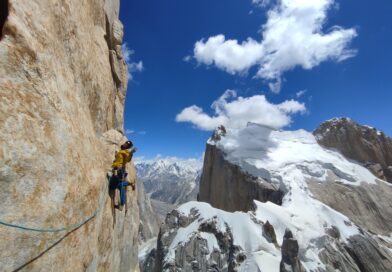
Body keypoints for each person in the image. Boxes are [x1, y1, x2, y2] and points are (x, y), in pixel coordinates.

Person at [110, 140, 137, 211]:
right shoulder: (122, 151)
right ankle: (130, 183)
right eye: (125, 143)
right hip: (118, 169)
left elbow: (127, 159)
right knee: (119, 185)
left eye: (127, 145)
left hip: (119, 170)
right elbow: (119, 159)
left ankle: (121, 204)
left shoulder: (126, 153)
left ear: (127, 147)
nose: (125, 145)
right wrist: (116, 154)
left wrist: (131, 153)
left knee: (118, 186)